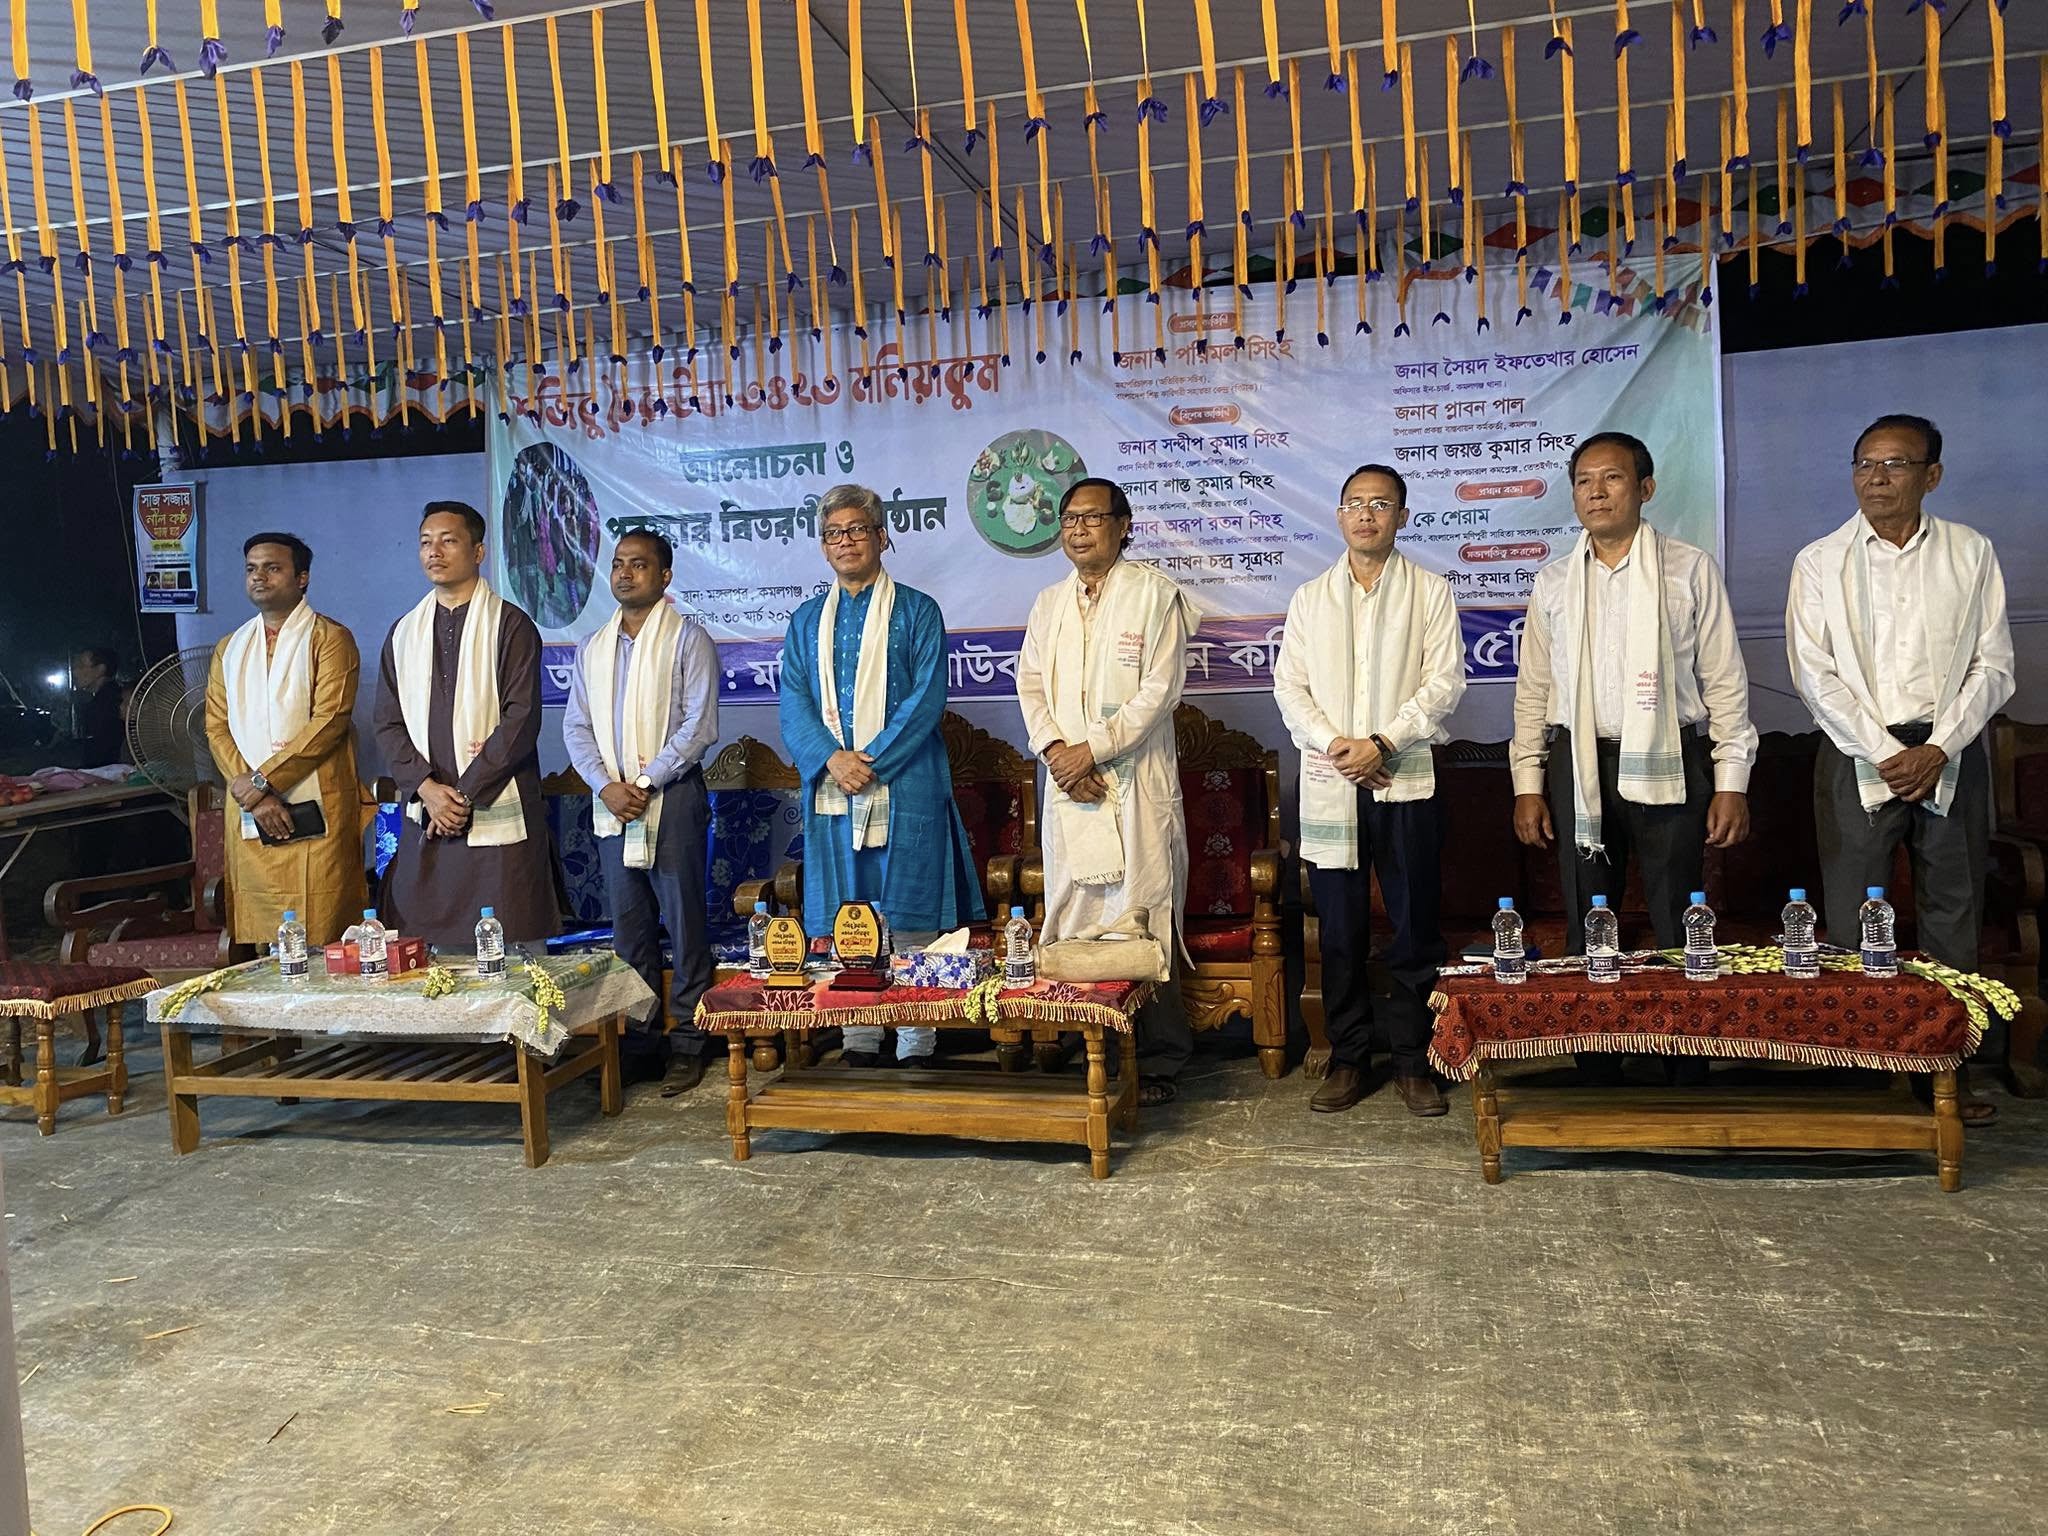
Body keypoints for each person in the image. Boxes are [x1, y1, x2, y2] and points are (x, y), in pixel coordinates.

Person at [1786, 414, 2014, 1125]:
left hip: (1949, 752)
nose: (1877, 478)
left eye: (1895, 464)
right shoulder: (1820, 560)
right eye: (1865, 464)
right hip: (1858, 753)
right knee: (1856, 917)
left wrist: (1938, 746)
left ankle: (1946, 1074)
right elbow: (1813, 673)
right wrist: (1884, 750)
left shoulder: (1970, 552)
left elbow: (1994, 665)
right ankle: (1863, 1078)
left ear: (1931, 475)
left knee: (1953, 914)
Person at [1511, 432, 1757, 1082]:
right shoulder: (1555, 581)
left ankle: (1682, 1062)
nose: (1596, 491)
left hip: (1672, 757)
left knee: (1679, 915)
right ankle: (1596, 1063)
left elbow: (1725, 681)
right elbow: (1534, 689)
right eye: (1584, 481)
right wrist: (1528, 783)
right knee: (1590, 917)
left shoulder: (1688, 569)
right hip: (1579, 764)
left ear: (1645, 489)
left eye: (1612, 478)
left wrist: (1731, 779)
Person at [1273, 465, 1466, 1117]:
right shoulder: (1310, 599)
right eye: (1354, 503)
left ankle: (1414, 1061)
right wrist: (1340, 747)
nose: (1366, 514)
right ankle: (1349, 1058)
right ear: (1339, 515)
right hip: (1331, 779)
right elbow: (1290, 689)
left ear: (1402, 517)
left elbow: (1444, 684)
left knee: (1414, 929)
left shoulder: (1430, 592)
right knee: (1339, 931)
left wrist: (1382, 743)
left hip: (1404, 781)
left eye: (1380, 504)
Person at [778, 484, 986, 1067]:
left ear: (881, 537)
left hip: (907, 780)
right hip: (833, 787)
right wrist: (831, 759)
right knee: (851, 912)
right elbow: (793, 700)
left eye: (857, 529)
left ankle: (918, 1041)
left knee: (910, 910)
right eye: (833, 533)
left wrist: (869, 761)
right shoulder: (805, 621)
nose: (845, 541)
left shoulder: (918, 611)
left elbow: (927, 698)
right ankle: (860, 1037)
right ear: (823, 546)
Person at [1016, 478, 1200, 1106]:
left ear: (1124, 527)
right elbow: (1030, 685)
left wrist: (1090, 751)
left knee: (1142, 910)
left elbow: (1159, 691)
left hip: (1135, 782)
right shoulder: (1048, 603)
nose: (1078, 529)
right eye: (1069, 518)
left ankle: (1159, 1057)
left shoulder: (1155, 596)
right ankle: (1087, 1044)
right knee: (1075, 911)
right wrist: (1055, 753)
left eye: (1092, 518)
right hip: (1068, 782)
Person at [562, 529, 722, 1094]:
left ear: (665, 576)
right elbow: (576, 727)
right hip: (614, 806)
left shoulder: (688, 640)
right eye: (619, 564)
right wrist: (606, 785)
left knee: (684, 924)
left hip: (671, 799)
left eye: (639, 564)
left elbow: (699, 726)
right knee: (629, 930)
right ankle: (641, 1043)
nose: (626, 574)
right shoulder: (592, 647)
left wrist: (647, 780)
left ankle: (691, 1043)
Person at [373, 501, 559, 951]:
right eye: (425, 542)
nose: (434, 552)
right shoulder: (404, 632)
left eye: (448, 541)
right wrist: (429, 791)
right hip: (428, 812)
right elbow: (388, 723)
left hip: (493, 809)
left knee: (509, 948)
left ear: (478, 552)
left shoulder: (511, 626)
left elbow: (521, 721)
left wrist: (462, 796)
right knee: (431, 954)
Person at [202, 532, 367, 950]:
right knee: (268, 941)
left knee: (325, 931)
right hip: (252, 812)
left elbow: (329, 721)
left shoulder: (330, 638)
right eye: (251, 569)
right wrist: (253, 792)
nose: (259, 577)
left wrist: (262, 782)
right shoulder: (229, 648)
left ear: (302, 578)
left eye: (273, 568)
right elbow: (217, 727)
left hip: (317, 805)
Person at [72, 647, 124, 766]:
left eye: (81, 666)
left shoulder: (109, 702)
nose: (75, 671)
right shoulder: (103, 698)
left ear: (100, 670)